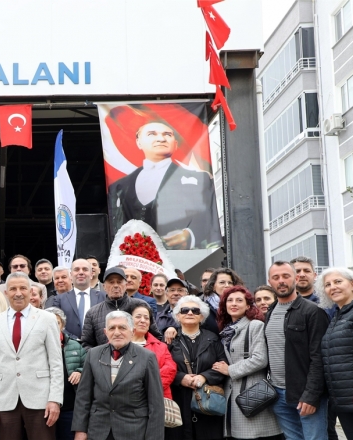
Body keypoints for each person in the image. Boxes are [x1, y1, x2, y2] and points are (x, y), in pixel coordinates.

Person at [107, 120, 222, 250]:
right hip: (134, 258)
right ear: (139, 142)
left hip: (184, 257)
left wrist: (190, 236)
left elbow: (208, 217)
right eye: (152, 134)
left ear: (175, 144)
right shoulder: (119, 187)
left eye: (167, 134)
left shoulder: (199, 180)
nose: (161, 139)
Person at [0, 272, 64, 439]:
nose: (18, 293)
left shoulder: (47, 319)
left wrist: (55, 399)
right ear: (6, 293)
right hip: (6, 400)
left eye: (23, 288)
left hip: (41, 399)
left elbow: (56, 363)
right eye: (13, 289)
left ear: (30, 291)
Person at [72, 311, 165, 440]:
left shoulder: (147, 357)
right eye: (112, 328)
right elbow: (83, 397)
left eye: (122, 328)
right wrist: (80, 430)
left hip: (133, 431)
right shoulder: (93, 354)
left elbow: (156, 404)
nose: (117, 332)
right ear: (105, 332)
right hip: (98, 430)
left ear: (132, 331)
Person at [266, 261, 329, 440]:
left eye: (286, 276)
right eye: (276, 277)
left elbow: (319, 357)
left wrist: (311, 395)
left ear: (295, 278)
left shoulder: (313, 311)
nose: (281, 281)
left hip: (305, 394)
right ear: (270, 282)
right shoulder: (270, 312)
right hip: (278, 394)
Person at [209, 286, 281, 440]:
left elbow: (260, 358)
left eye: (239, 300)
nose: (234, 303)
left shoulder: (255, 325)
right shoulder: (226, 330)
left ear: (248, 306)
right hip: (232, 393)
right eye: (230, 300)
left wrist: (230, 370)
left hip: (252, 393)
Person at [166, 295, 227, 440]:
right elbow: (162, 366)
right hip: (178, 399)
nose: (190, 313)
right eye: (184, 310)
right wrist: (180, 378)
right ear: (178, 316)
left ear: (202, 317)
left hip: (208, 400)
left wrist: (204, 376)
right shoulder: (170, 340)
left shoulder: (213, 338)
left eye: (195, 310)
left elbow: (223, 365)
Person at [318, 267, 353, 438]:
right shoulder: (338, 316)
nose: (332, 287)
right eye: (327, 284)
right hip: (343, 399)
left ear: (352, 284)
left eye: (338, 281)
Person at [80, 267, 159, 348]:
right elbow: (86, 344)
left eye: (119, 282)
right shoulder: (93, 313)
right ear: (104, 287)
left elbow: (156, 338)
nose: (116, 285)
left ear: (125, 285)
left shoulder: (140, 305)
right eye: (111, 282)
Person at [44, 307, 85, 440]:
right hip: (44, 407)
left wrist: (80, 372)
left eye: (57, 322)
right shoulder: (36, 346)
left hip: (70, 407)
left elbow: (88, 367)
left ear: (62, 325)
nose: (53, 326)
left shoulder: (75, 345)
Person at [46, 259, 106, 339]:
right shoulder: (59, 299)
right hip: (69, 344)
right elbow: (56, 323)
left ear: (91, 274)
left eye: (85, 269)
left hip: (97, 344)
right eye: (76, 269)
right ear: (71, 275)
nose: (81, 272)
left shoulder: (104, 297)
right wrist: (73, 339)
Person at [130, 303, 176, 400]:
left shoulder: (161, 346)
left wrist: (145, 387)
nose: (143, 320)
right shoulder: (117, 345)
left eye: (146, 318)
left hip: (156, 398)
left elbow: (170, 370)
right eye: (138, 317)